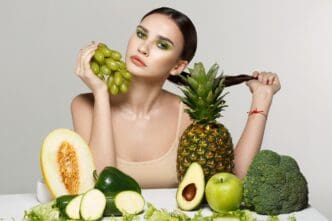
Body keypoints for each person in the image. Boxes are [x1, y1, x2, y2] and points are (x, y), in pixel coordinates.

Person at [71, 7, 281, 188]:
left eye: (162, 45)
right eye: (141, 34)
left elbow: (232, 180)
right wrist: (100, 94)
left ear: (178, 66)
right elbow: (99, 184)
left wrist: (261, 101)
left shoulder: (189, 114)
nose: (143, 48)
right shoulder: (85, 106)